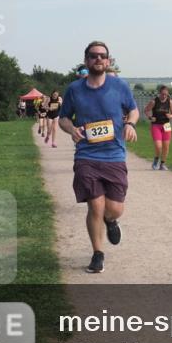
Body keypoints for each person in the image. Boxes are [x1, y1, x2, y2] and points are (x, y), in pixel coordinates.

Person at [58, 41, 139, 274]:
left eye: (103, 56)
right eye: (93, 56)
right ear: (86, 60)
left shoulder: (119, 86)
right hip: (86, 155)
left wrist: (131, 123)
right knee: (95, 205)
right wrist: (71, 129)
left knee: (113, 209)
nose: (98, 59)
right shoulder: (74, 89)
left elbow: (133, 109)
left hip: (114, 155)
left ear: (108, 60)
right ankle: (97, 253)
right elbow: (63, 118)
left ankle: (111, 221)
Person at [144, 85, 172, 170]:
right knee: (159, 146)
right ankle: (156, 160)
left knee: (166, 146)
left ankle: (162, 164)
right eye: (162, 94)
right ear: (159, 93)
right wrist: (150, 117)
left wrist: (170, 116)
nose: (164, 96)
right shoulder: (154, 101)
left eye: (166, 94)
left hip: (166, 125)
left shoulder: (170, 102)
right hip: (156, 125)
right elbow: (146, 110)